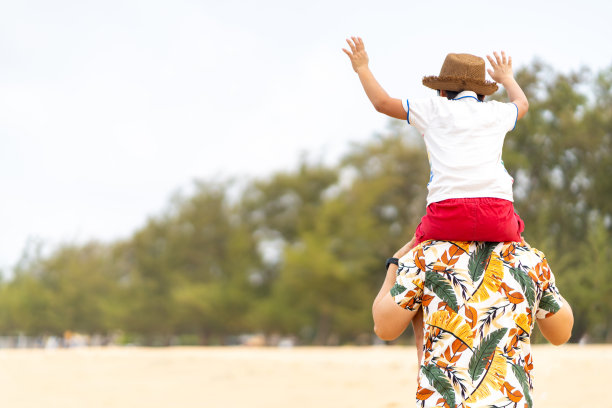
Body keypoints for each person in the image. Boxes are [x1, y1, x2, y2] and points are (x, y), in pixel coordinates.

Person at [342, 37, 529, 244]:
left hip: (447, 214)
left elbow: (382, 103)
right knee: (525, 251)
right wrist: (507, 79)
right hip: (497, 215)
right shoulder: (497, 111)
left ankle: (390, 275)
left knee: (402, 258)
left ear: (442, 92)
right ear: (482, 96)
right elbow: (522, 103)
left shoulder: (433, 109)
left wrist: (362, 68)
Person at [373, 239, 573, 407]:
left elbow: (384, 328)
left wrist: (395, 263)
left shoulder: (422, 258)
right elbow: (561, 333)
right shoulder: (528, 260)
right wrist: (539, 269)